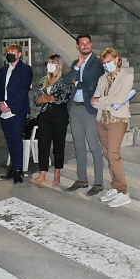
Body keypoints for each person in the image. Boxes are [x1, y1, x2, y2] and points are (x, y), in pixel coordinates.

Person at [90, 48, 134, 208]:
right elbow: (94, 100)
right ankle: (115, 187)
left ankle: (123, 191)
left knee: (113, 154)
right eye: (104, 63)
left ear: (116, 59)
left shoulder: (126, 77)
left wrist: (102, 101)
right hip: (102, 119)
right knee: (108, 154)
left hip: (117, 119)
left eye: (109, 61)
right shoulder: (102, 78)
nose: (106, 65)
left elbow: (120, 99)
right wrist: (105, 102)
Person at [63, 34, 105, 196]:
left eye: (87, 43)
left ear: (91, 44)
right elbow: (67, 80)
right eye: (82, 43)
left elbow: (92, 85)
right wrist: (77, 66)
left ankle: (99, 182)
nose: (85, 46)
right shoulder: (76, 63)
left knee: (94, 146)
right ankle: (82, 179)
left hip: (89, 109)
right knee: (78, 144)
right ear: (77, 46)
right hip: (75, 108)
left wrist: (77, 82)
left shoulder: (97, 63)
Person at [0, 43, 33, 184]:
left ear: (19, 54)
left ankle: (18, 170)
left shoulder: (25, 69)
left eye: (13, 52)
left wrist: (8, 104)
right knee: (9, 140)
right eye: (8, 52)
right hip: (3, 110)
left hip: (17, 110)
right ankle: (13, 168)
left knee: (16, 140)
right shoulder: (3, 70)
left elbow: (23, 91)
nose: (10, 54)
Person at [31, 54, 72, 188]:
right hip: (45, 115)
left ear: (59, 64)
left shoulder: (65, 80)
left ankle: (57, 174)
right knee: (43, 145)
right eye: (48, 63)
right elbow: (37, 99)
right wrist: (49, 97)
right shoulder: (45, 80)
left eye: (52, 62)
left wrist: (47, 97)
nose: (49, 65)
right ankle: (42, 174)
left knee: (58, 145)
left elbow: (60, 98)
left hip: (59, 116)